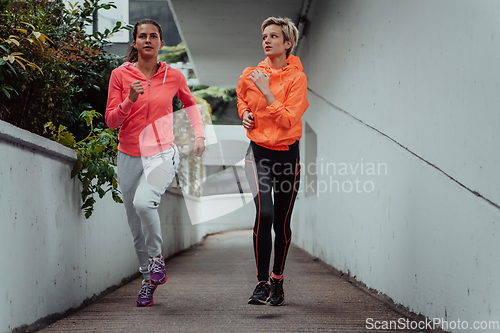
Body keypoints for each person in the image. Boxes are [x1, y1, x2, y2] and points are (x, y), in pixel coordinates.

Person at [105, 19, 205, 307]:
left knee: (144, 203)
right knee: (135, 224)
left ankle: (157, 258)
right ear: (134, 43)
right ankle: (148, 279)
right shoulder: (120, 76)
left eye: (153, 36)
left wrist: (199, 135)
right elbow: (111, 121)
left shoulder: (173, 76)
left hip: (162, 152)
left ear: (161, 43)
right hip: (129, 155)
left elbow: (190, 105)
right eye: (142, 36)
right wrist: (129, 100)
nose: (147, 40)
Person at [237, 16, 309, 306]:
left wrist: (267, 91)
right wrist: (244, 113)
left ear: (287, 43)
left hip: (287, 157)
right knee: (264, 214)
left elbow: (290, 119)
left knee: (281, 223)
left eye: (274, 36)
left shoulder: (297, 78)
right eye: (264, 36)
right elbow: (241, 99)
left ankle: (277, 280)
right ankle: (261, 283)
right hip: (257, 153)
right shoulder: (251, 73)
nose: (266, 40)